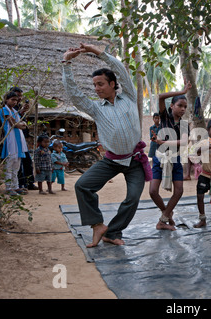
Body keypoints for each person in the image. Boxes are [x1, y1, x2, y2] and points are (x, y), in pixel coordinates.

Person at [62, 43, 147, 248]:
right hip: (111, 160)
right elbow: (74, 94)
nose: (97, 88)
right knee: (82, 185)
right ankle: (97, 225)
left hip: (135, 161)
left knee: (133, 198)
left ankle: (114, 231)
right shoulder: (95, 108)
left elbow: (119, 69)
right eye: (95, 85)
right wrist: (66, 62)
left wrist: (96, 52)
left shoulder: (129, 97)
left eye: (101, 84)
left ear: (113, 84)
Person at [149, 82, 191, 231]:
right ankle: (167, 213)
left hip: (176, 159)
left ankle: (163, 220)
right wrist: (182, 90)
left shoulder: (185, 124)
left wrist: (164, 141)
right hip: (160, 158)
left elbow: (184, 142)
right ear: (172, 106)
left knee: (179, 191)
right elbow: (160, 97)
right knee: (153, 191)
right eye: (180, 105)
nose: (183, 109)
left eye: (185, 107)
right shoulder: (164, 117)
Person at [0, 91, 28, 195]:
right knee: (10, 163)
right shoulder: (4, 110)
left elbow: (21, 123)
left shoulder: (14, 111)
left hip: (17, 139)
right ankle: (8, 187)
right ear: (6, 100)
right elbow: (14, 124)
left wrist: (21, 123)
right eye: (12, 100)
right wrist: (21, 125)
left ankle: (15, 186)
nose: (15, 102)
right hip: (10, 139)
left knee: (17, 164)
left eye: (16, 100)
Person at [10, 86, 37, 191]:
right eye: (17, 96)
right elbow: (14, 122)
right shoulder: (9, 108)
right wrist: (21, 112)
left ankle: (29, 183)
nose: (19, 98)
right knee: (18, 163)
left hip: (22, 138)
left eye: (20, 96)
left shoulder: (18, 107)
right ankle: (20, 185)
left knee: (27, 162)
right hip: (15, 139)